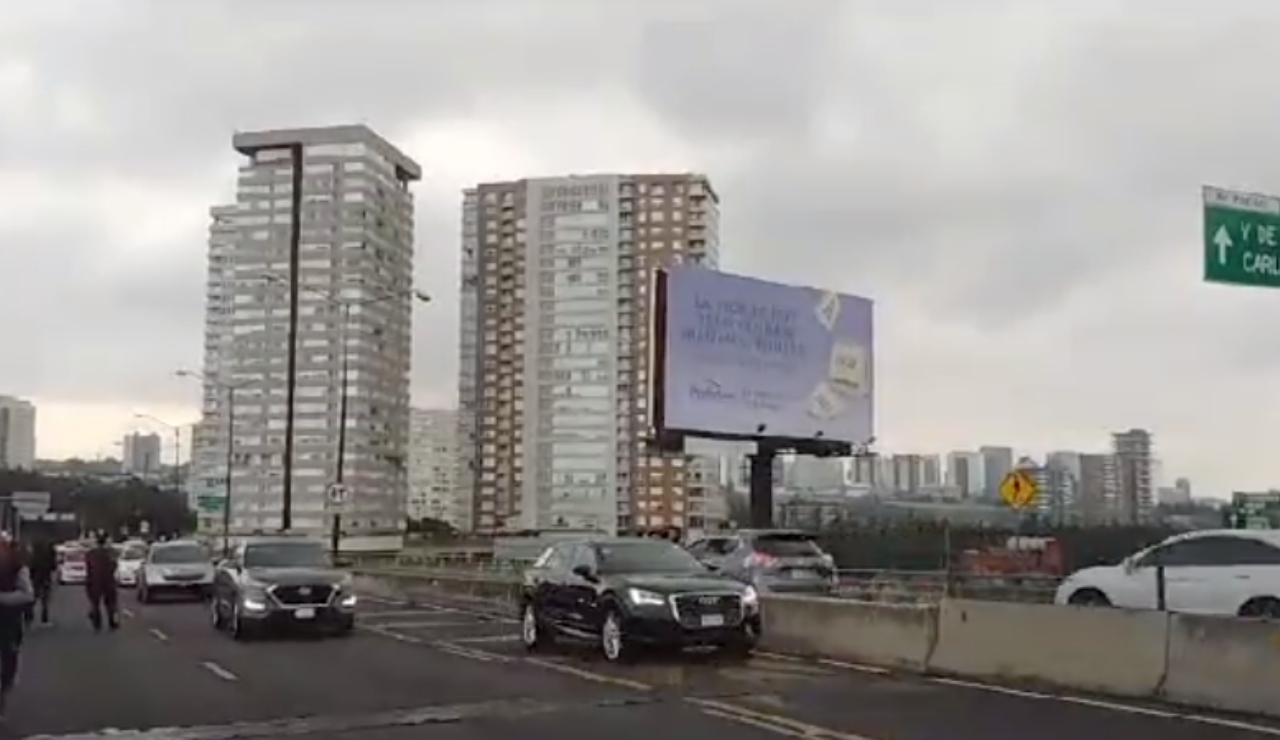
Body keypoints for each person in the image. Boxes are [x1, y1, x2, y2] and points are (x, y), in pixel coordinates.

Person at [0, 532, 34, 716]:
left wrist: (3, 599)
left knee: (8, 663)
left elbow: (27, 594)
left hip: (7, 624)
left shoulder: (18, 569)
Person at [84, 533, 119, 632]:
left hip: (95, 581)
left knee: (95, 603)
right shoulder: (111, 553)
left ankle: (97, 623)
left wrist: (88, 581)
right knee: (111, 603)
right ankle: (112, 622)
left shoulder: (90, 554)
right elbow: (114, 566)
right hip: (108, 580)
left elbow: (89, 569)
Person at [25, 537, 55, 627]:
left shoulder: (33, 556)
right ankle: (44, 618)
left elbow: (30, 567)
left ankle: (28, 616)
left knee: (33, 597)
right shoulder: (49, 554)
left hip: (34, 578)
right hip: (45, 576)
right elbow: (53, 566)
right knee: (45, 599)